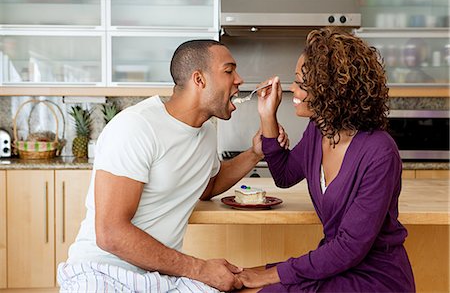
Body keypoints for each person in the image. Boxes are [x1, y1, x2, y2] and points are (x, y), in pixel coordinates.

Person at [57, 39, 288, 292]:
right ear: (199, 80)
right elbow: (111, 233)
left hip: (160, 276)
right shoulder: (136, 127)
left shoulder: (206, 133)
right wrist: (200, 269)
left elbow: (205, 187)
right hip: (104, 270)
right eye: (229, 71)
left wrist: (255, 153)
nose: (239, 80)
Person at [236, 27, 416, 292]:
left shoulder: (380, 152)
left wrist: (272, 274)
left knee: (268, 286)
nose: (293, 90)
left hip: (374, 277)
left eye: (303, 84)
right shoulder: (319, 131)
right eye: (296, 80)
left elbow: (350, 247)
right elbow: (284, 176)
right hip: (336, 266)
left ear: (335, 92)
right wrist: (267, 117)